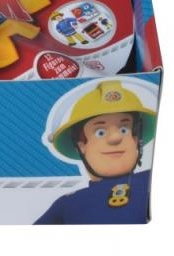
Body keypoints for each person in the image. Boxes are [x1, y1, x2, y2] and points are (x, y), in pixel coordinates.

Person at [35, 80, 157, 224]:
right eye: (100, 132)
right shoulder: (68, 204)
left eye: (124, 129)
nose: (115, 138)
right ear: (81, 146)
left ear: (136, 140)